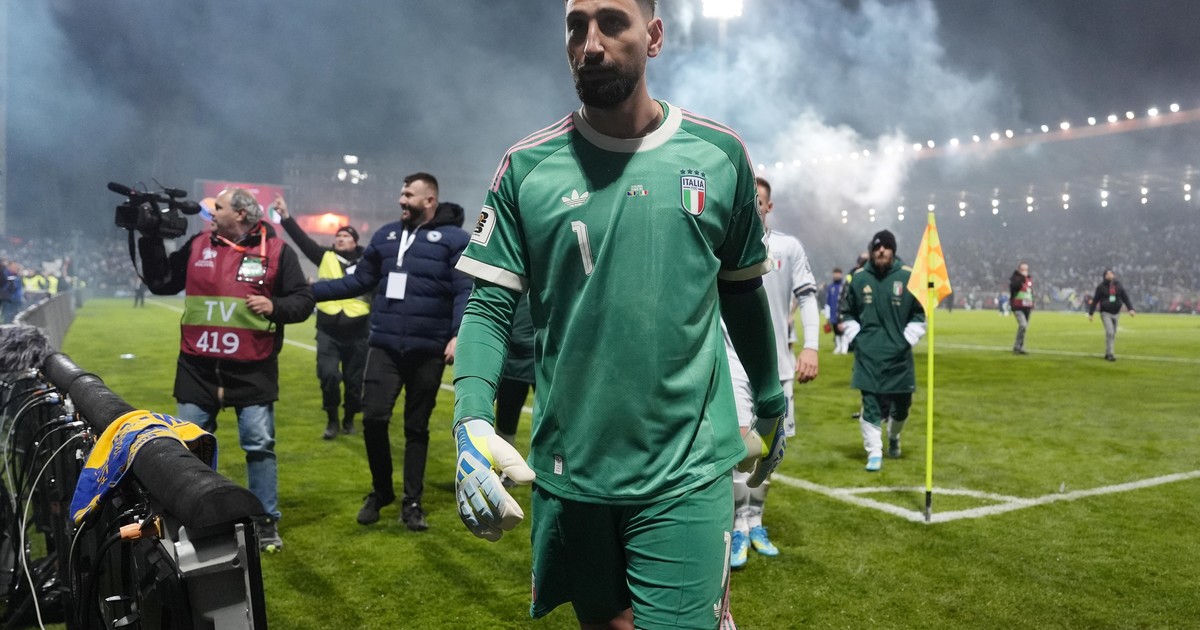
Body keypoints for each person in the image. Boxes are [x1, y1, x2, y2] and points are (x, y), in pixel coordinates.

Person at [450, 1, 787, 627]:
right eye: (576, 25)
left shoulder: (718, 155)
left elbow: (742, 293)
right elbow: (490, 307)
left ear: (654, 36)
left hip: (685, 466)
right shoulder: (526, 166)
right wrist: (470, 419)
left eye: (611, 22)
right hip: (570, 466)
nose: (591, 43)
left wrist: (770, 399)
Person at [138, 187, 315, 552]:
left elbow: (303, 301)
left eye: (217, 207)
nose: (210, 212)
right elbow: (161, 282)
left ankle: (265, 521)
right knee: (188, 449)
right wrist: (149, 239)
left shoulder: (277, 251)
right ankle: (196, 518)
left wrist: (275, 306)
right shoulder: (198, 244)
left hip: (253, 371)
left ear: (240, 214)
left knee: (259, 447)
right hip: (197, 369)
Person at [311, 173, 471, 532]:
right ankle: (381, 490)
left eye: (409, 194)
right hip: (384, 345)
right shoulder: (385, 236)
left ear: (429, 200)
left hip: (428, 349)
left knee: (416, 427)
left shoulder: (455, 239)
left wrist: (458, 333)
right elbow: (359, 281)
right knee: (373, 418)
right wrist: (310, 293)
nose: (401, 200)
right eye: (401, 193)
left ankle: (412, 502)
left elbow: (464, 289)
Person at [726, 176, 818, 569]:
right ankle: (736, 526)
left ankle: (756, 521)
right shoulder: (725, 243)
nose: (755, 205)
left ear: (769, 205)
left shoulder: (788, 247)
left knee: (770, 450)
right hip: (733, 362)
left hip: (777, 365)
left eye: (760, 200)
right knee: (738, 447)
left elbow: (807, 297)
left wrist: (811, 346)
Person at [274, 196, 370, 440]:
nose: (340, 239)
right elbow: (302, 241)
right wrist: (286, 217)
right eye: (338, 236)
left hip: (359, 330)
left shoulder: (368, 262)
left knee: (354, 382)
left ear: (355, 241)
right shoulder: (325, 256)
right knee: (328, 376)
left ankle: (349, 418)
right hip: (328, 329)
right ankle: (332, 420)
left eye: (346, 236)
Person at [838, 229, 925, 472]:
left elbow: (920, 313)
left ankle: (894, 436)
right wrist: (858, 338)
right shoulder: (858, 279)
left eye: (886, 247)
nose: (881, 251)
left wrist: (907, 339)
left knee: (903, 405)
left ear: (893, 250)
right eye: (877, 247)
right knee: (870, 404)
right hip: (868, 356)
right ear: (872, 251)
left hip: (899, 356)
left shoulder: (909, 277)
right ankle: (874, 452)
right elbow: (847, 313)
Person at [494, 293, 536, 448]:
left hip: (547, 354)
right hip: (513, 355)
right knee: (505, 423)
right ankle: (503, 462)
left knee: (554, 424)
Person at [1087, 269, 1135, 361]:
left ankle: (1107, 352)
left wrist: (1130, 309)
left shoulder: (1118, 285)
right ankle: (1110, 354)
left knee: (1112, 334)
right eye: (1107, 274)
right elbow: (1095, 300)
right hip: (1105, 313)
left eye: (1111, 273)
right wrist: (1091, 313)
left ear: (1113, 275)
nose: (1110, 275)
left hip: (1116, 313)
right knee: (1110, 332)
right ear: (1104, 276)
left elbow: (1125, 297)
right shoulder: (1101, 287)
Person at [1009, 262, 1033, 354]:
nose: (1025, 271)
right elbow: (1015, 287)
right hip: (1018, 306)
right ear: (1019, 270)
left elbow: (1029, 292)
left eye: (1026, 269)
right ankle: (1017, 346)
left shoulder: (1029, 279)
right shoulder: (1015, 278)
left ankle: (1020, 347)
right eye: (1023, 269)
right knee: (1023, 325)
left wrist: (1032, 303)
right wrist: (1022, 277)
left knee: (1024, 328)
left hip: (1027, 306)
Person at [825, 267, 847, 354]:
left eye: (838, 273)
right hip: (833, 312)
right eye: (835, 273)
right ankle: (838, 346)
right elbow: (828, 301)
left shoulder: (844, 286)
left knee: (842, 329)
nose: (836, 275)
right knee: (836, 330)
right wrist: (827, 314)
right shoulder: (830, 287)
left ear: (841, 274)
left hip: (841, 312)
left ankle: (844, 347)